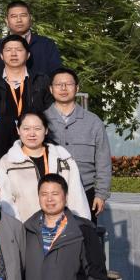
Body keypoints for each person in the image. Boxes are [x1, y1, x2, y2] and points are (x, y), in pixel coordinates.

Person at [0, 112, 90, 222]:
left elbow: (77, 197)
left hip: (63, 227)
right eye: (26, 129)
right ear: (18, 130)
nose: (32, 134)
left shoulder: (63, 158)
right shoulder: (7, 163)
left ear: (46, 130)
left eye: (37, 129)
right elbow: (6, 202)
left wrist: (81, 225)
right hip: (25, 228)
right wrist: (16, 229)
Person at [45, 68, 112, 218]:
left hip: (85, 191)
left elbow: (103, 161)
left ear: (77, 88)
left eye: (68, 84)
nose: (63, 88)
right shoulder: (41, 120)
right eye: (58, 84)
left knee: (85, 232)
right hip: (48, 194)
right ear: (51, 89)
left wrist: (101, 194)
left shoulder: (93, 121)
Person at [0, 0, 63, 77]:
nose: (19, 20)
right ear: (7, 21)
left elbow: (57, 76)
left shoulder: (47, 45)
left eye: (23, 15)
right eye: (14, 16)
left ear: (30, 18)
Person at [0, 34, 52, 120]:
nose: (13, 54)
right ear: (1, 56)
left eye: (19, 50)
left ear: (28, 55)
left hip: (34, 128)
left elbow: (51, 111)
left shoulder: (41, 81)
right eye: (8, 50)